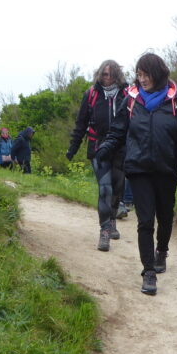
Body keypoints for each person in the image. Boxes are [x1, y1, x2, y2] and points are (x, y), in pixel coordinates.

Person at [95, 53, 177, 295]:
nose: (142, 79)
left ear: (158, 74)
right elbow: (117, 131)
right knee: (145, 221)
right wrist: (105, 148)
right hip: (138, 169)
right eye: (139, 74)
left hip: (166, 169)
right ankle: (148, 272)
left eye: (146, 74)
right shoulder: (131, 101)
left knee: (165, 216)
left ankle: (162, 250)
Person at [67, 60, 130, 251]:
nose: (107, 78)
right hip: (98, 148)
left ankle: (112, 220)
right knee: (105, 189)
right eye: (104, 74)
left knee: (117, 189)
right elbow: (81, 124)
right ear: (99, 74)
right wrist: (73, 148)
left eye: (110, 74)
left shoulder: (127, 94)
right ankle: (104, 231)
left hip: (121, 149)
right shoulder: (91, 94)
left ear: (117, 75)